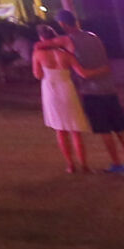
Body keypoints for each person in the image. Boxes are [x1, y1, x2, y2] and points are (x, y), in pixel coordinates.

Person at [55, 9, 124, 173]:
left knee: (104, 130)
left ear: (63, 24)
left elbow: (44, 45)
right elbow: (105, 59)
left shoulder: (68, 41)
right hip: (108, 87)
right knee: (119, 127)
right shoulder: (93, 37)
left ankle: (116, 163)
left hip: (91, 91)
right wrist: (103, 70)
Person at [32, 21, 91, 173]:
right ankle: (84, 164)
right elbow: (80, 72)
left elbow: (38, 75)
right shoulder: (66, 55)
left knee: (61, 130)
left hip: (51, 89)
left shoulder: (38, 54)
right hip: (67, 88)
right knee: (75, 130)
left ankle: (71, 165)